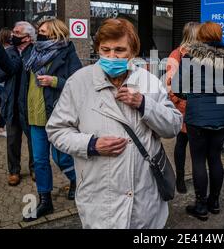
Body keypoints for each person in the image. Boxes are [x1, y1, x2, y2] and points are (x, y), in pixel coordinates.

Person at [46, 18, 182, 228]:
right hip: (100, 198)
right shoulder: (79, 82)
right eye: (105, 50)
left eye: (119, 50)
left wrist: (145, 104)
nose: (111, 56)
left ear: (133, 52)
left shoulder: (149, 82)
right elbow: (56, 130)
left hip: (144, 199)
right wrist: (91, 144)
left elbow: (173, 126)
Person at [174, 21, 224, 221]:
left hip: (197, 116)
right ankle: (215, 202)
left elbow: (177, 88)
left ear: (201, 36)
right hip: (222, 114)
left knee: (199, 160)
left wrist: (192, 96)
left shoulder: (190, 57)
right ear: (219, 36)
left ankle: (201, 206)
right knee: (215, 158)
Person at [22, 18, 82, 222]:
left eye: (43, 31)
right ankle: (45, 201)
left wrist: (54, 81)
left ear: (55, 33)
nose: (40, 33)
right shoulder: (33, 52)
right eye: (39, 30)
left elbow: (77, 83)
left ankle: (79, 182)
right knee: (39, 161)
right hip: (34, 116)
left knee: (62, 158)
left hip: (56, 116)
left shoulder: (67, 52)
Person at [0, 22, 36, 186]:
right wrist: (0, 56)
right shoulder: (8, 52)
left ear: (27, 37)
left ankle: (35, 169)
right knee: (12, 140)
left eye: (17, 32)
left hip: (29, 104)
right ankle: (14, 171)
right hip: (11, 103)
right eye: (13, 31)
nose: (12, 35)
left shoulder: (35, 52)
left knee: (33, 140)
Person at [166, 21, 200, 194]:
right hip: (183, 109)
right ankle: (180, 178)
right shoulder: (176, 55)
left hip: (199, 109)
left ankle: (197, 177)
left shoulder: (204, 54)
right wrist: (177, 102)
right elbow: (170, 84)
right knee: (181, 142)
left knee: (197, 146)